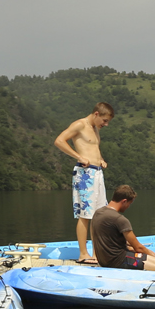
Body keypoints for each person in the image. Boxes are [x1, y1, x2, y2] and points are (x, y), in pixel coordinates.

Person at [53, 101, 114, 263]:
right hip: (85, 174)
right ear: (96, 114)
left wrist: (101, 159)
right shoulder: (80, 124)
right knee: (85, 214)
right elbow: (59, 140)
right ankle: (83, 254)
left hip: (97, 173)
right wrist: (78, 156)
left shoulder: (95, 129)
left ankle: (96, 254)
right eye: (104, 121)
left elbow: (94, 148)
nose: (106, 124)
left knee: (99, 215)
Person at [90, 186, 155, 271]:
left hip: (104, 260)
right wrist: (153, 256)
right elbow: (138, 248)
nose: (129, 206)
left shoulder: (98, 213)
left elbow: (110, 238)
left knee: (138, 253)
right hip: (119, 261)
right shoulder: (120, 219)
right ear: (124, 201)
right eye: (129, 203)